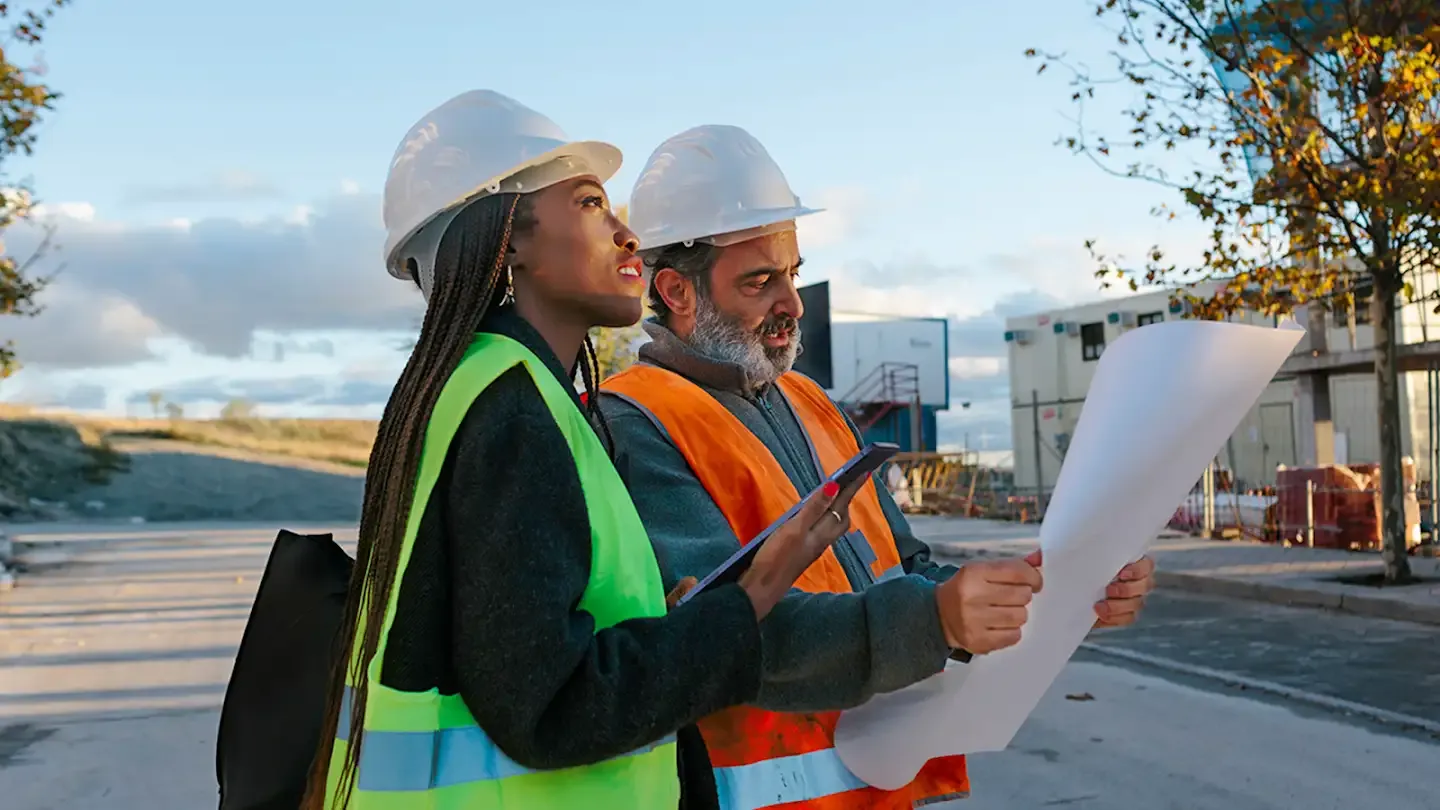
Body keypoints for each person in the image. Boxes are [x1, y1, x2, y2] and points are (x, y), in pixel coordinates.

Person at [302, 94, 868, 810]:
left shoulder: (486, 389)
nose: (629, 234)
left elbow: (510, 648)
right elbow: (552, 708)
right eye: (593, 203)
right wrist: (753, 595)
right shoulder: (512, 412)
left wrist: (662, 624)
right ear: (509, 239)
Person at [597, 124, 1158, 809]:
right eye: (760, 281)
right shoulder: (632, 422)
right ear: (677, 293)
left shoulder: (808, 401)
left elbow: (907, 571)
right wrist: (936, 621)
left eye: (793, 274)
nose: (792, 305)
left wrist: (1056, 595)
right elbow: (725, 638)